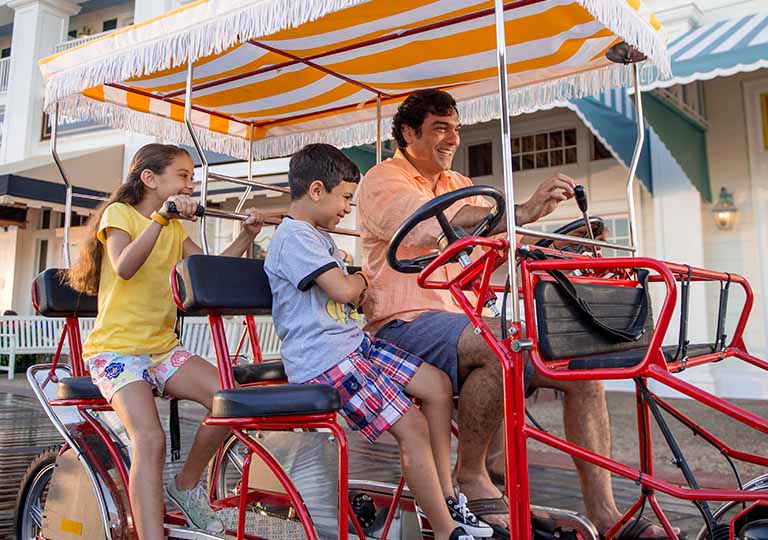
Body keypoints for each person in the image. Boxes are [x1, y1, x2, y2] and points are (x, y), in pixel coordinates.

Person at [358, 89, 681, 540]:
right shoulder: (381, 180)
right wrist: (521, 210)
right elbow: (429, 226)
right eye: (439, 128)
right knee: (504, 341)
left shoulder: (458, 185)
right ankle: (472, 473)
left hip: (462, 318)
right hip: (401, 324)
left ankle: (604, 512)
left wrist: (551, 246)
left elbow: (486, 261)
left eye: (456, 128)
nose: (452, 138)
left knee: (578, 366)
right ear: (408, 132)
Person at [264, 143, 492, 540]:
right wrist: (366, 279)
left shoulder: (315, 236)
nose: (349, 209)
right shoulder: (296, 237)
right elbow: (340, 290)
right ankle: (443, 528)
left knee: (437, 385)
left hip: (352, 347)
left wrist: (360, 284)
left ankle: (446, 494)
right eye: (346, 198)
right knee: (413, 426)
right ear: (317, 191)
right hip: (326, 360)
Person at [67, 143, 265, 540]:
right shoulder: (119, 215)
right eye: (184, 176)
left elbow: (209, 272)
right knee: (151, 439)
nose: (190, 185)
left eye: (192, 177)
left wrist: (246, 236)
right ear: (150, 178)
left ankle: (187, 486)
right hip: (116, 350)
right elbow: (124, 266)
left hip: (161, 349)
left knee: (232, 400)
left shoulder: (174, 228)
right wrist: (160, 217)